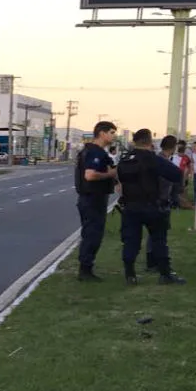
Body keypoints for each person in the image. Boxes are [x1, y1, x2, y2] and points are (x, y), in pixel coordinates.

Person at [117, 129, 186, 285]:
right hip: (152, 206)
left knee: (130, 241)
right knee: (159, 240)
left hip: (130, 206)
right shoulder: (152, 159)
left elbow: (119, 179)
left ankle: (130, 274)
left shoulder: (125, 159)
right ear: (150, 142)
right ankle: (165, 274)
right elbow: (176, 174)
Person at [74, 120, 118, 282]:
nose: (114, 136)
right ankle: (85, 270)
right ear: (102, 133)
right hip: (92, 199)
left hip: (93, 199)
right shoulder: (95, 152)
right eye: (112, 132)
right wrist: (110, 175)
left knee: (92, 234)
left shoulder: (96, 152)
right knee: (92, 234)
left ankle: (86, 267)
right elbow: (90, 175)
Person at [145, 135, 182, 272]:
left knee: (157, 233)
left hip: (160, 199)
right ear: (173, 147)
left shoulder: (161, 159)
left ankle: (154, 260)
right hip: (160, 200)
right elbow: (166, 182)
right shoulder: (162, 161)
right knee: (157, 234)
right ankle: (154, 261)